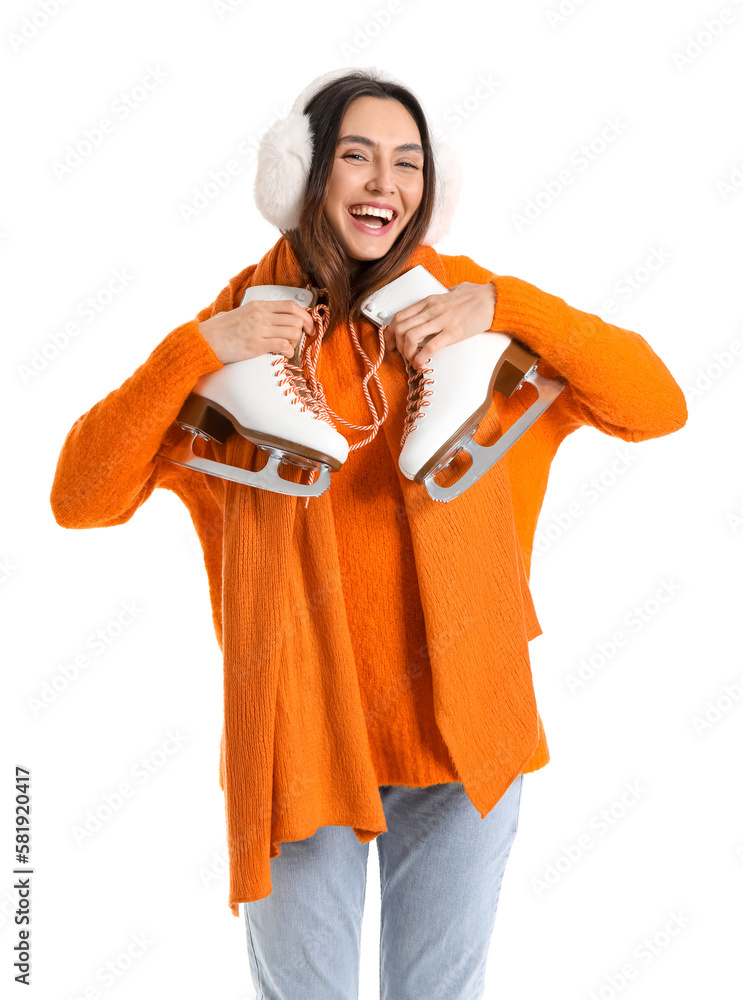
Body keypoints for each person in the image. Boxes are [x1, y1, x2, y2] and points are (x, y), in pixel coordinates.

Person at [50, 66, 688, 1000]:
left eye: (408, 163)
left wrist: (508, 306)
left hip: (460, 731)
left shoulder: (473, 314)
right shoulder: (237, 337)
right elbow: (80, 496)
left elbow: (657, 406)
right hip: (300, 733)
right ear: (300, 175)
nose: (385, 183)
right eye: (356, 157)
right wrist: (197, 353)